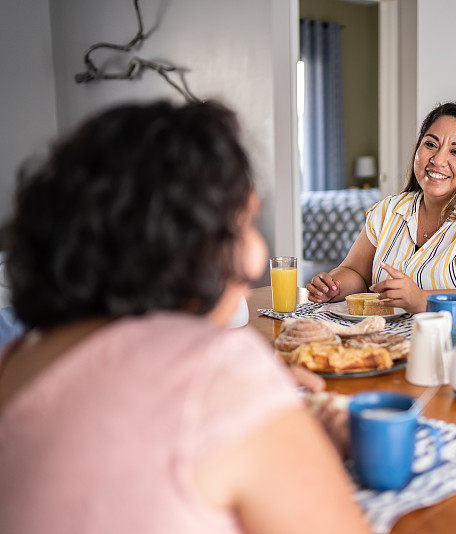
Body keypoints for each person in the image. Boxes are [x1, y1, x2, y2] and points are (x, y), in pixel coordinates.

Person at [0, 101, 369, 533]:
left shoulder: (17, 358)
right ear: (182, 240)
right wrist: (294, 434)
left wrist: (260, 408)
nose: (256, 257)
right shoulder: (222, 370)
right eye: (244, 222)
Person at [307, 102, 456, 315]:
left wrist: (424, 300)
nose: (437, 159)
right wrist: (334, 286)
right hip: (388, 344)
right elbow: (356, 272)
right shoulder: (389, 210)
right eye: (430, 144)